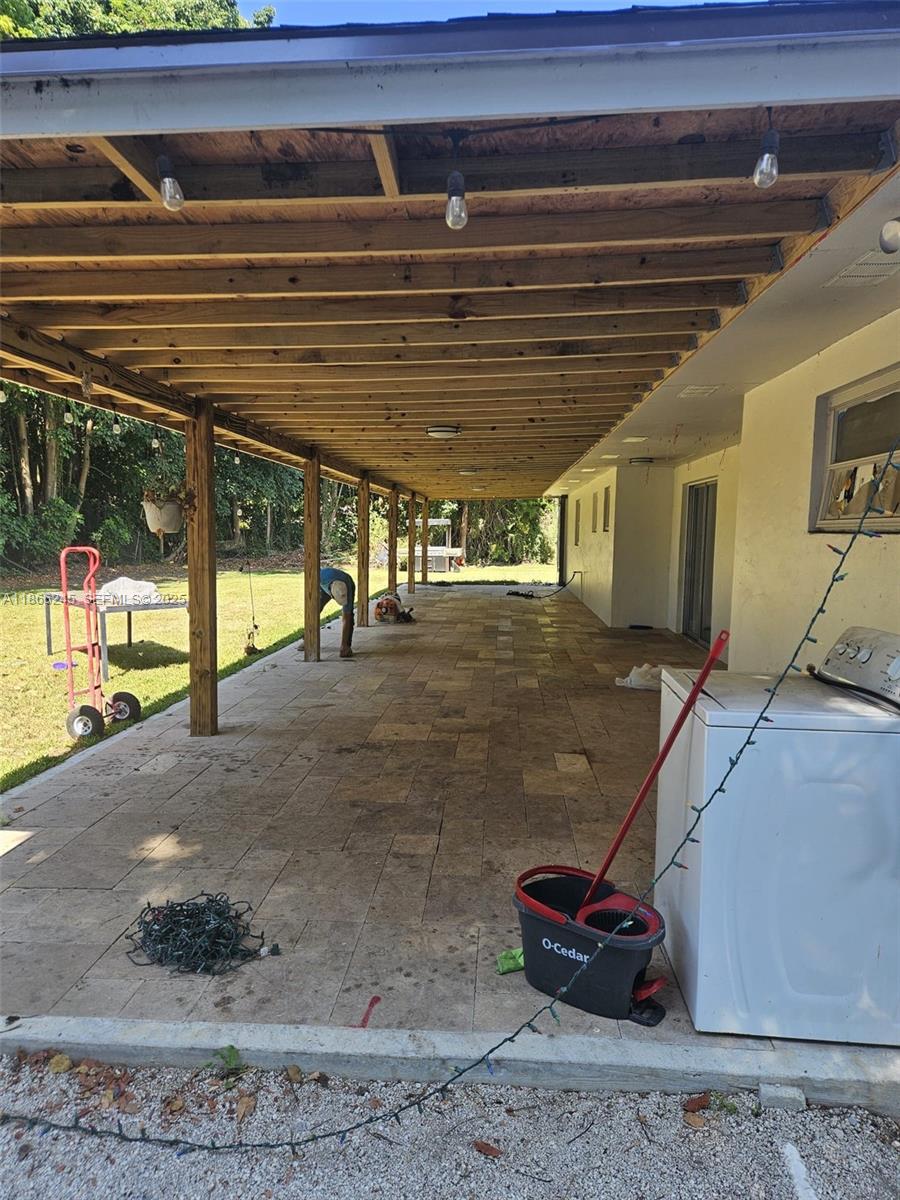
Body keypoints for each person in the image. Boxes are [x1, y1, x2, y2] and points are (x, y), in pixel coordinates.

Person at [318, 566, 355, 658]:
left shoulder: (348, 585)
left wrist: (344, 646)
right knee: (315, 609)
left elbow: (347, 617)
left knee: (348, 614)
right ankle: (307, 639)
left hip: (343, 582)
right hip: (323, 585)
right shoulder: (319, 577)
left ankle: (345, 646)